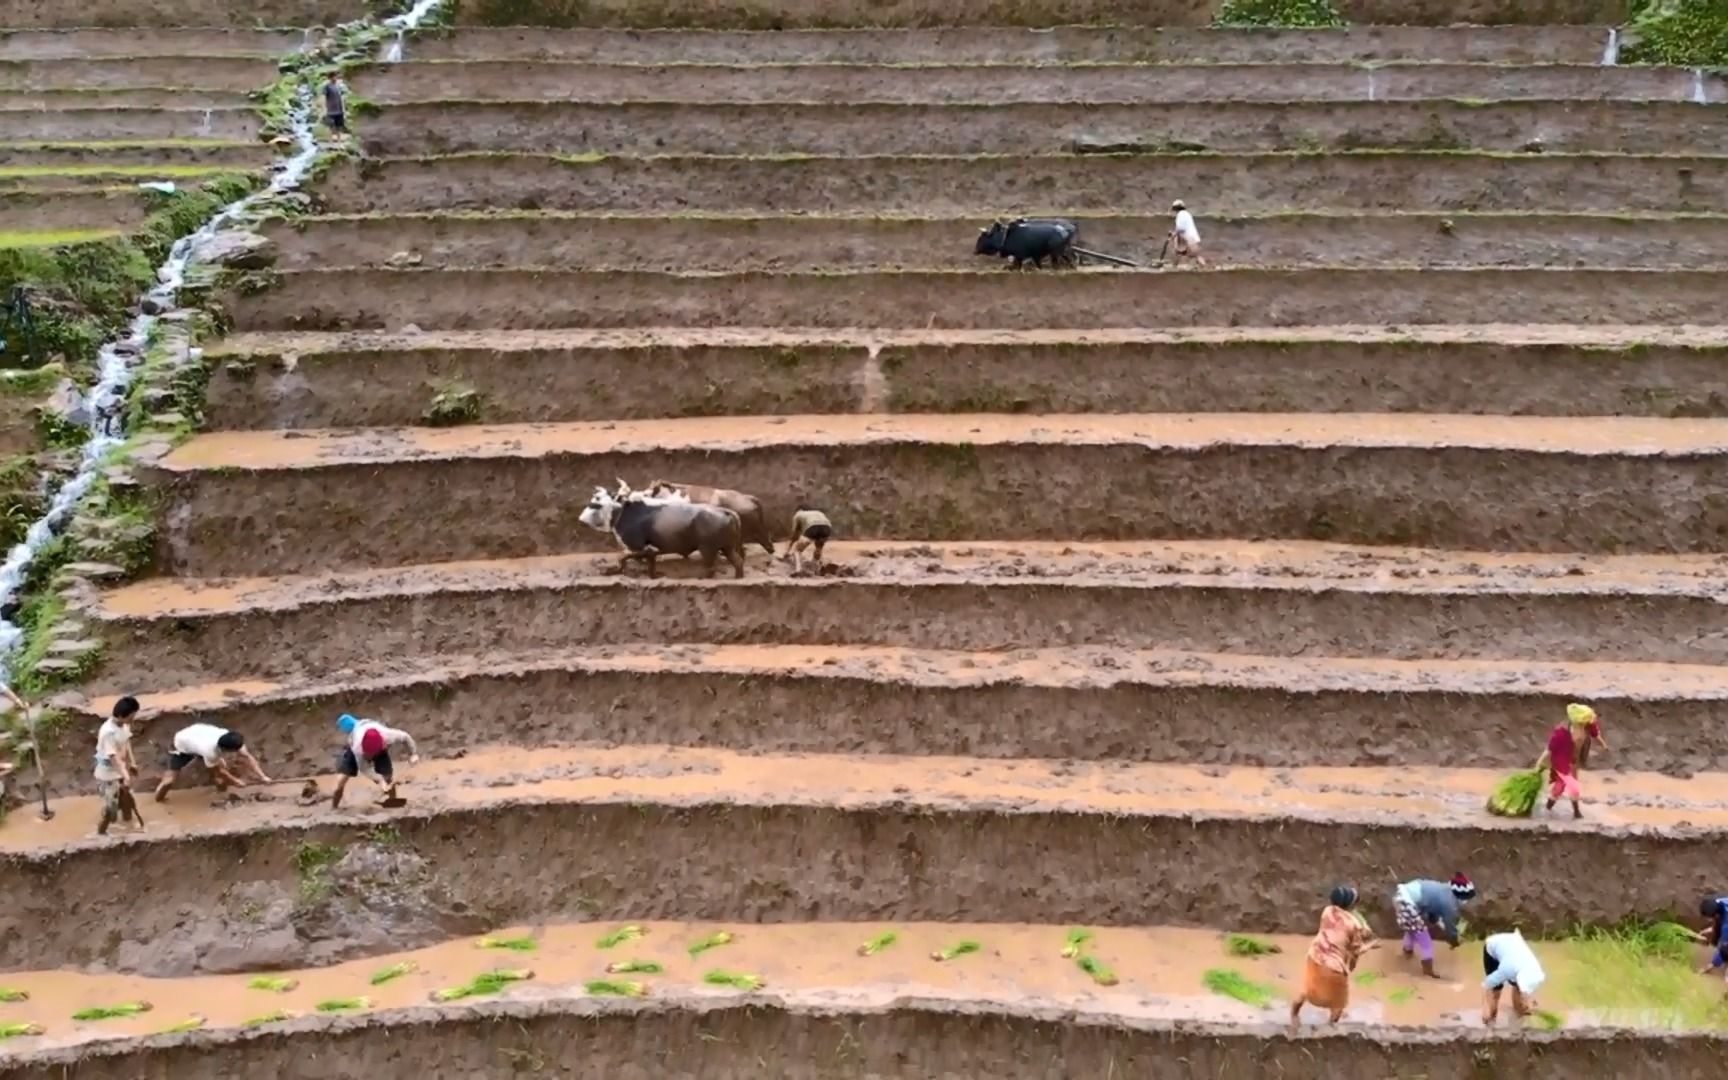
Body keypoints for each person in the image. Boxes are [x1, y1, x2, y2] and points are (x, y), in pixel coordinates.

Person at [1289, 884, 1376, 1033]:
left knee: (1307, 989)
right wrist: (1371, 945)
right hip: (1333, 965)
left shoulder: (1327, 911)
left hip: (1315, 955)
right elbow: (1355, 951)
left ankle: (1294, 1015)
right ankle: (1330, 1026)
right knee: (1339, 1002)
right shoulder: (1353, 925)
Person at [154, 722, 270, 801]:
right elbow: (219, 771)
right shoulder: (210, 751)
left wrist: (262, 776)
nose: (237, 753)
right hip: (182, 744)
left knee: (221, 773)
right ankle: (158, 799)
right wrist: (236, 781)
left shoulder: (231, 739)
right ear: (224, 750)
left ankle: (222, 794)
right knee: (169, 781)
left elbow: (247, 757)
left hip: (197, 736)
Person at [1393, 873, 1476, 978]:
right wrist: (1454, 940)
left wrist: (1435, 920)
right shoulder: (1449, 903)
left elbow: (1432, 908)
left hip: (1401, 896)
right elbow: (1449, 925)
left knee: (1413, 928)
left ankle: (1407, 952)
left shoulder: (1444, 890)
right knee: (1426, 941)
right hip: (1407, 902)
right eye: (1466, 899)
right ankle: (1428, 971)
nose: (1465, 902)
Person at [332, 714, 419, 809]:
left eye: (371, 755)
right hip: (357, 743)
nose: (370, 757)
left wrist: (413, 754)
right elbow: (364, 768)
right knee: (341, 779)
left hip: (379, 746)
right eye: (368, 755)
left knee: (388, 777)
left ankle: (392, 802)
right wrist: (380, 780)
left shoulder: (388, 736)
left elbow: (406, 737)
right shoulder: (357, 748)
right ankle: (334, 806)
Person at [1535, 705, 1597, 819]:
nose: (1582, 728)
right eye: (1580, 726)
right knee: (1565, 787)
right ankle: (1557, 809)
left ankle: (1573, 812)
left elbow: (1595, 733)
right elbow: (1548, 750)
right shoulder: (1560, 733)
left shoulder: (1587, 726)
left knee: (1572, 786)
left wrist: (1604, 745)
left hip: (1575, 761)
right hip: (1562, 762)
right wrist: (1538, 764)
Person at [94, 696, 143, 835]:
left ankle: (129, 827)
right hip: (108, 774)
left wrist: (132, 763)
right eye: (131, 717)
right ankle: (101, 833)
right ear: (121, 715)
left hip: (120, 771)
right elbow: (113, 758)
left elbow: (127, 742)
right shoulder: (107, 733)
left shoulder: (124, 725)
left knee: (127, 801)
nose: (133, 719)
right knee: (111, 811)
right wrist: (125, 775)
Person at [1481, 929, 1546, 1025]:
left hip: (1514, 947)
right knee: (1496, 991)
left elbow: (1528, 987)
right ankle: (1492, 1017)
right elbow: (1486, 985)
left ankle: (1518, 1015)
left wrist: (1529, 1001)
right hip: (1492, 947)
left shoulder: (1535, 969)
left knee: (1519, 990)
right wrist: (1486, 1010)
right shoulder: (1507, 969)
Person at [782, 505, 833, 575]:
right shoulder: (817, 512)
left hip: (812, 526)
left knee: (797, 550)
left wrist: (787, 551)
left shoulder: (798, 514)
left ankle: (798, 570)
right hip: (827, 527)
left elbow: (794, 536)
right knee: (818, 548)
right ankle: (817, 569)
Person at [1565, 702, 1609, 770]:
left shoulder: (1580, 715)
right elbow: (1596, 735)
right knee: (1586, 741)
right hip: (1578, 736)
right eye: (1597, 717)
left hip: (1570, 732)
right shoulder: (1590, 722)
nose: (1596, 719)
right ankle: (1581, 763)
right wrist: (1604, 744)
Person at [1694, 894, 1728, 977]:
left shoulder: (1726, 926)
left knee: (1725, 948)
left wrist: (1710, 966)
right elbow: (1718, 924)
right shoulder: (1719, 902)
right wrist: (1707, 931)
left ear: (1716, 915)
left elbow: (1725, 947)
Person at [1168, 199, 1205, 267]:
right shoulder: (1187, 214)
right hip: (1190, 238)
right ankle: (1174, 267)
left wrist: (1174, 234)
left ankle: (1204, 268)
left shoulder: (1180, 214)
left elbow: (1181, 228)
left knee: (1196, 255)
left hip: (1190, 238)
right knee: (1179, 253)